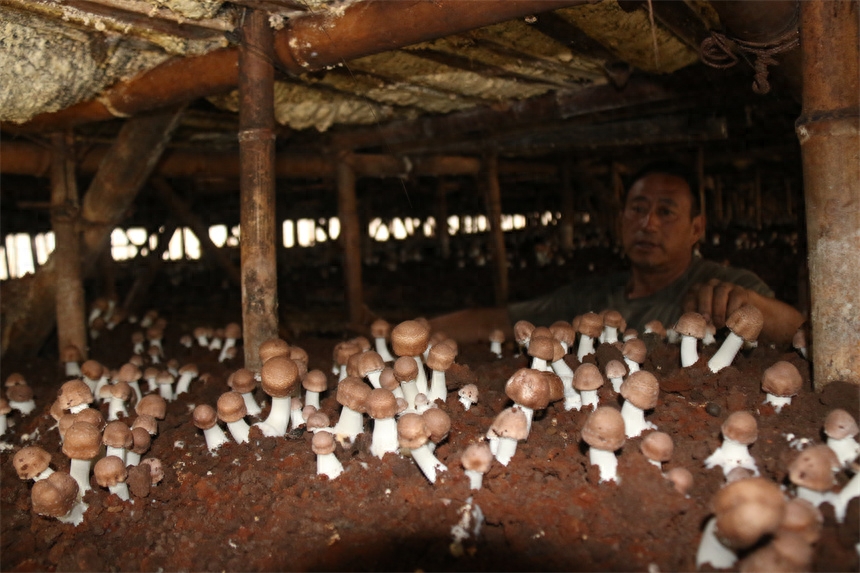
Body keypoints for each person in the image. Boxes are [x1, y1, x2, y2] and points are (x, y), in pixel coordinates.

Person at [429, 161, 804, 347]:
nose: (649, 224)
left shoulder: (728, 286)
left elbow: (798, 332)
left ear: (696, 228)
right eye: (638, 209)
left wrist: (747, 306)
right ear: (621, 219)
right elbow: (495, 320)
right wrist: (407, 332)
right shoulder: (589, 297)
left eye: (666, 211)